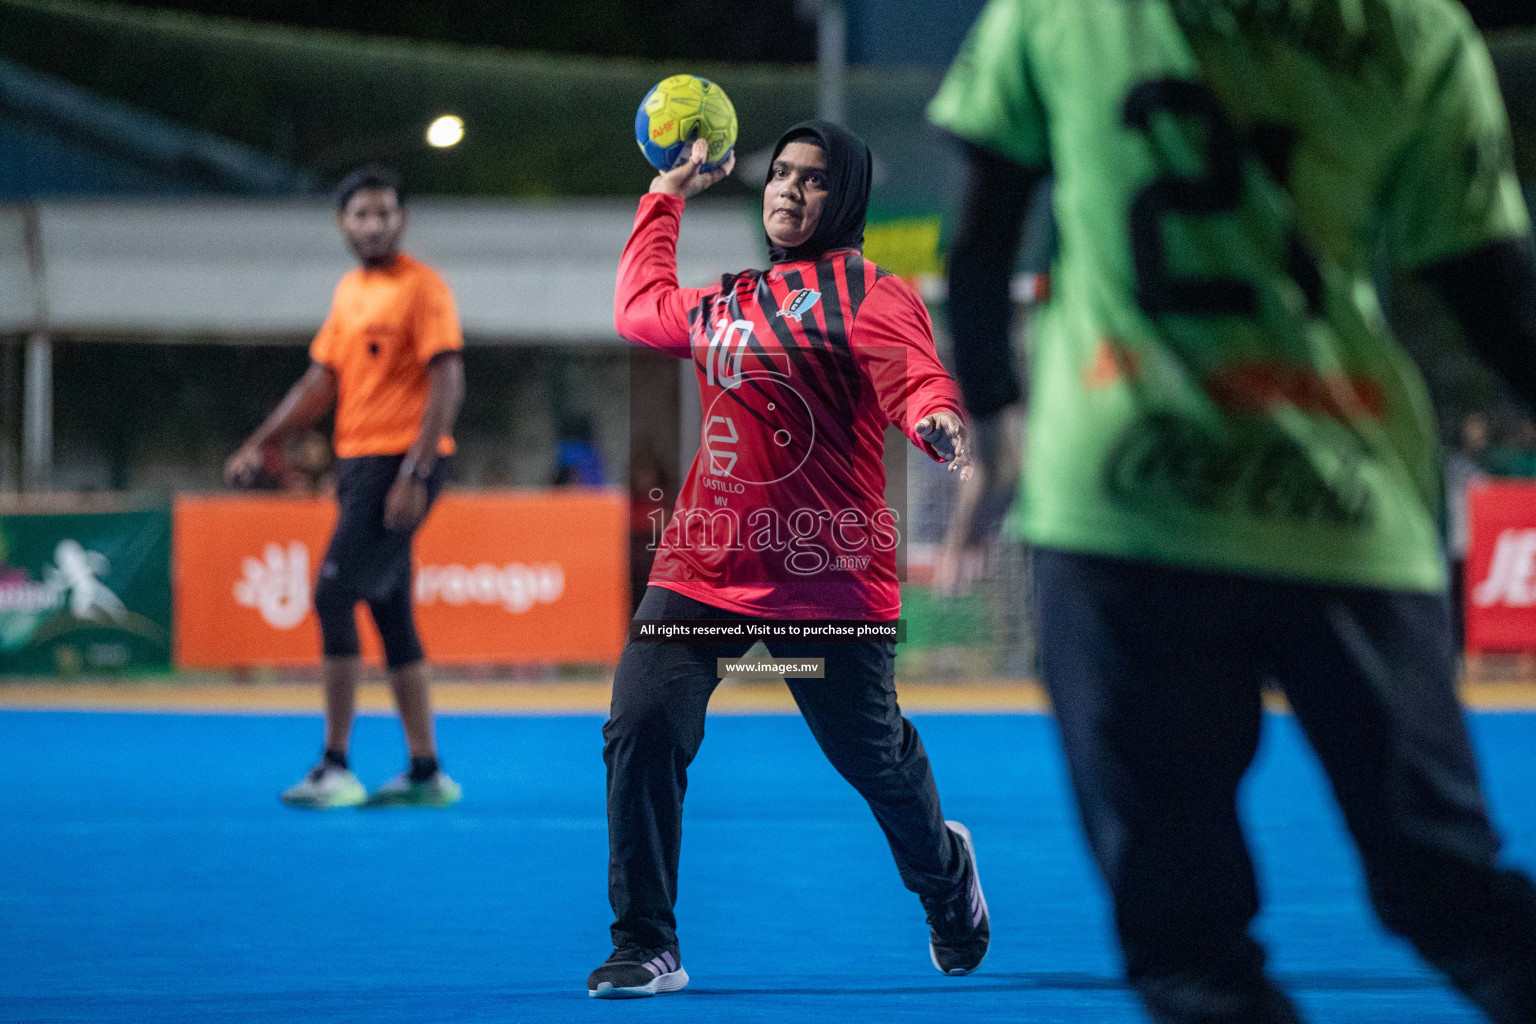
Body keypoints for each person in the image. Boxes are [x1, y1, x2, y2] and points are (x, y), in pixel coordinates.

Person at [930, 1, 1536, 1021]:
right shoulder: (1416, 29)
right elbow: (1492, 293)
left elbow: (980, 245)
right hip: (1345, 507)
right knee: (1447, 887)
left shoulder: (1059, 12)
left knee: (1186, 947)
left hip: (1124, 507)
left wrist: (993, 430)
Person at [588, 125, 988, 998]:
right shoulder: (729, 300)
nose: (789, 191)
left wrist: (938, 419)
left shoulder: (873, 296)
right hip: (703, 575)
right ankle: (645, 941)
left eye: (813, 180)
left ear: (844, 199)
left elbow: (916, 378)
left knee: (872, 758)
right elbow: (638, 307)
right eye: (781, 176)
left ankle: (946, 877)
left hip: (824, 587)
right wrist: (667, 197)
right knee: (642, 728)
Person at [226, 164, 467, 810]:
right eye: (361, 214)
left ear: (402, 219)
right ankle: (425, 771)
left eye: (385, 213)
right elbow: (318, 384)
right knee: (389, 612)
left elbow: (447, 381)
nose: (373, 224)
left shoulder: (424, 288)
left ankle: (335, 765)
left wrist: (416, 472)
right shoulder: (349, 292)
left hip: (403, 462)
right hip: (359, 463)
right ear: (343, 224)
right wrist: (262, 439)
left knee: (333, 593)